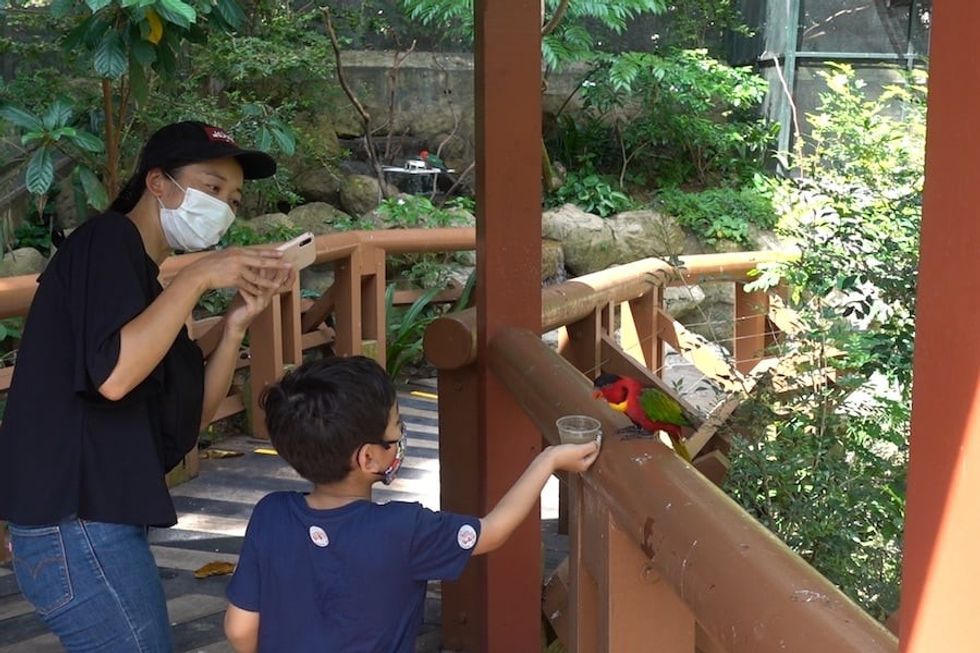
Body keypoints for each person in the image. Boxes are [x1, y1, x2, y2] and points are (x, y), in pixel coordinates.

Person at [0, 121, 295, 652]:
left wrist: (234, 326)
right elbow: (113, 378)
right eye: (211, 187)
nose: (225, 206)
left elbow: (190, 418)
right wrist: (198, 277)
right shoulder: (106, 241)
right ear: (157, 183)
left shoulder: (149, 283)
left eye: (233, 197)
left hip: (99, 522)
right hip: (75, 520)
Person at [223, 356, 600, 653]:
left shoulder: (270, 514)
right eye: (396, 426)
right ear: (368, 458)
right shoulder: (406, 529)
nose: (401, 434)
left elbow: (240, 631)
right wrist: (547, 461)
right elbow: (494, 530)